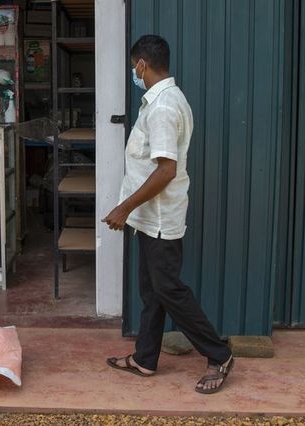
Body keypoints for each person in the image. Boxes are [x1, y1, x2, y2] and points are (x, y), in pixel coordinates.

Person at [103, 35, 234, 394]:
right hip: (150, 218)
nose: (134, 73)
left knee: (169, 290)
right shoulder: (163, 100)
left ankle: (219, 353)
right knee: (152, 290)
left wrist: (123, 207)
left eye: (134, 68)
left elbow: (166, 170)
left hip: (159, 219)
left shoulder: (162, 108)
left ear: (142, 65)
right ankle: (145, 359)